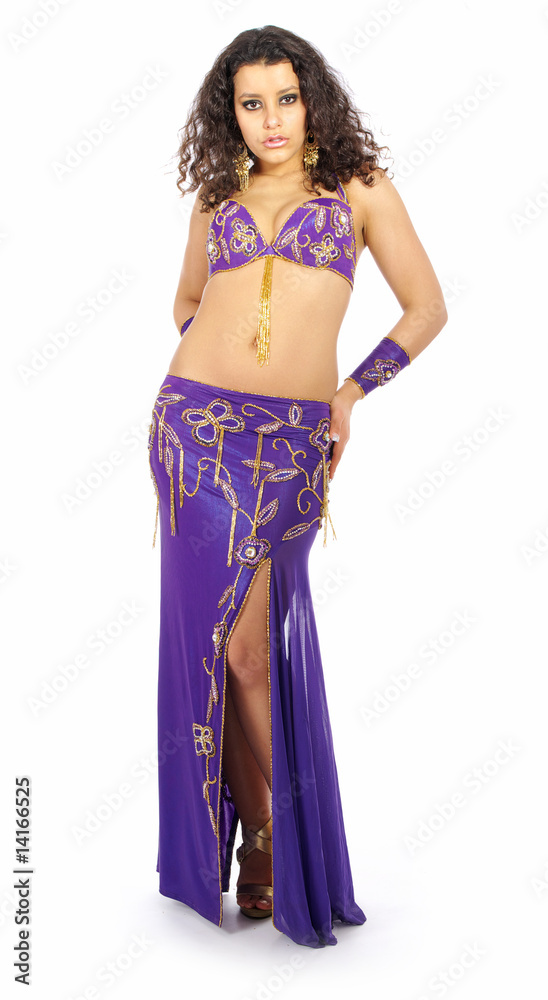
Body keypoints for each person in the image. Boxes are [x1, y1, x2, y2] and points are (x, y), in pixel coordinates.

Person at [147, 25, 447, 950]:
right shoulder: (217, 197)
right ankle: (265, 840)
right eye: (252, 103)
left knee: (253, 647)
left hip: (292, 444)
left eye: (285, 98)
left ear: (310, 99)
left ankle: (285, 836)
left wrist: (346, 394)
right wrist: (222, 363)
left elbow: (427, 307)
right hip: (194, 435)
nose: (271, 119)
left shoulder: (359, 189)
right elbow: (187, 300)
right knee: (222, 651)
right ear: (230, 113)